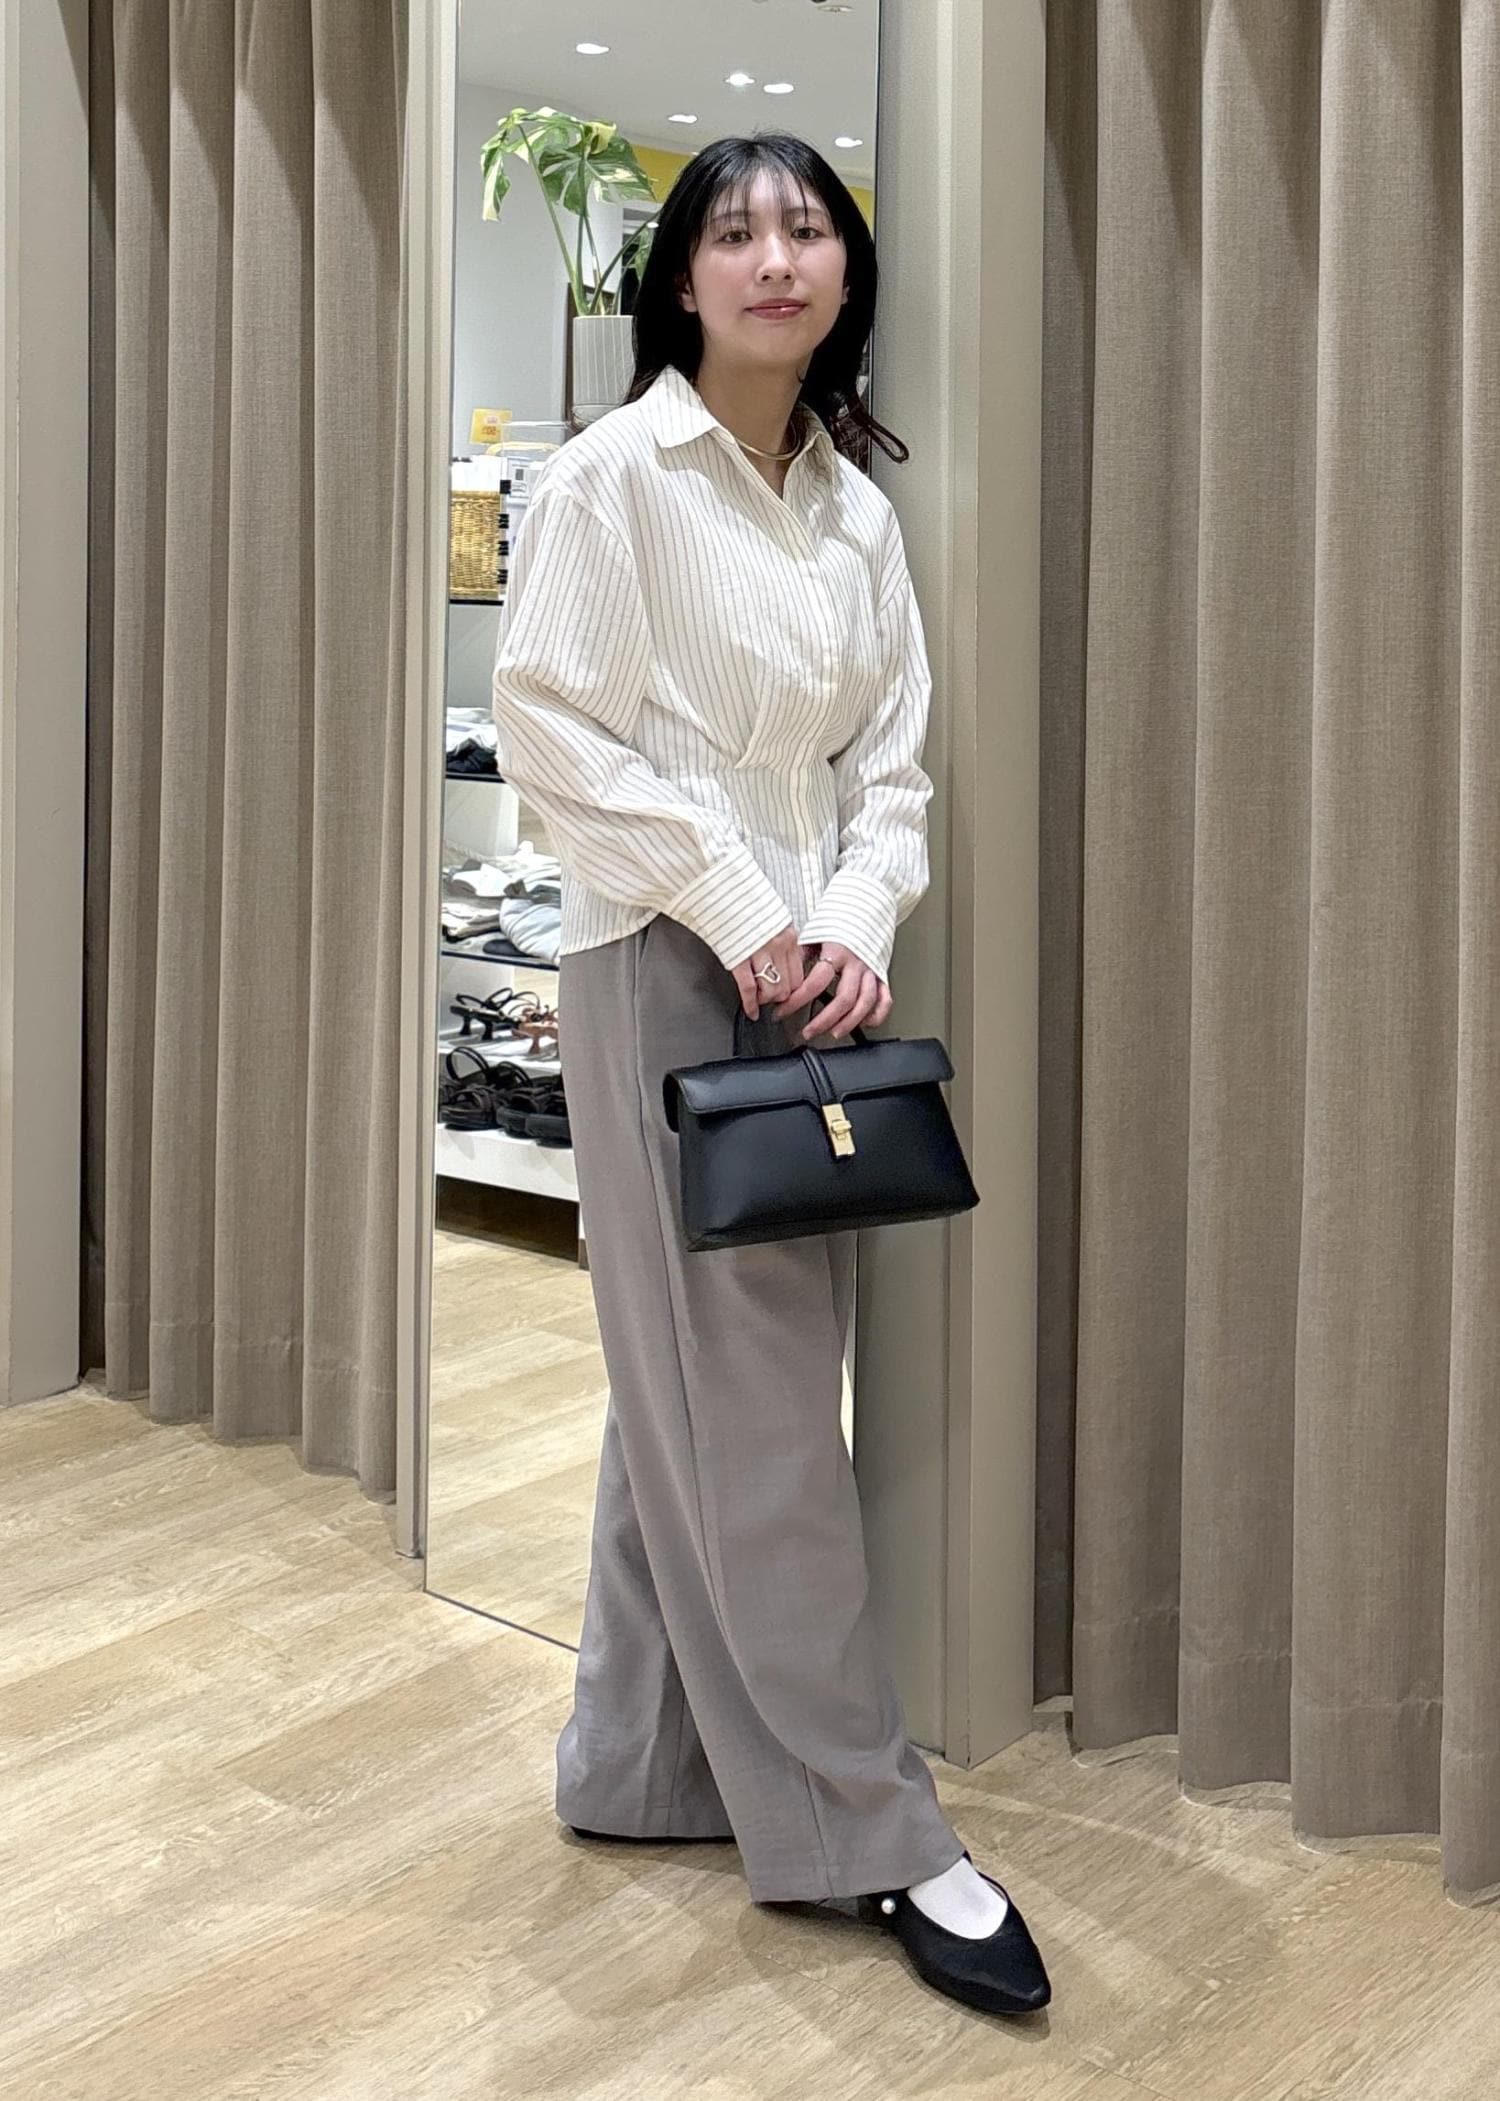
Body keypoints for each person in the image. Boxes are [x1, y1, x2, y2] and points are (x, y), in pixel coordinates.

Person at [490, 132, 1050, 2020]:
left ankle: (638, 1764)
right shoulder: (609, 478)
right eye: (734, 232)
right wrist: (744, 912)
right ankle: (869, 1828)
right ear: (684, 278)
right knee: (761, 1418)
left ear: (846, 275)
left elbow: (892, 764)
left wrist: (860, 924)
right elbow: (550, 730)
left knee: (700, 1387)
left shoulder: (856, 514)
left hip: (817, 982)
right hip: (663, 964)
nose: (776, 258)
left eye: (808, 227)